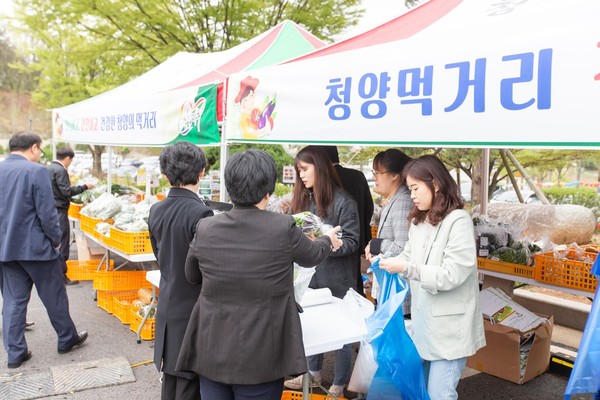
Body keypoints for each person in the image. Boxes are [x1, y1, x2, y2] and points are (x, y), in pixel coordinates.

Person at [176, 149, 343, 400]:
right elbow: (312, 255)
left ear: (230, 187)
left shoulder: (206, 226)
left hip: (211, 349)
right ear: (268, 191)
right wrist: (327, 240)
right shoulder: (281, 227)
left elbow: (192, 275)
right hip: (262, 354)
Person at [378, 155, 485, 400]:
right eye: (410, 188)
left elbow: (452, 274)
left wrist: (406, 268)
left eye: (415, 188)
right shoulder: (420, 219)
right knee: (422, 392)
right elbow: (408, 254)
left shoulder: (458, 220)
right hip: (424, 324)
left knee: (440, 394)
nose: (412, 195)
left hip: (450, 330)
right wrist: (385, 262)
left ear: (435, 184)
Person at [0, 132, 88, 369]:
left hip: (6, 248)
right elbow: (47, 213)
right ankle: (66, 338)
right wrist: (56, 240)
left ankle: (15, 353)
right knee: (54, 295)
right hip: (37, 246)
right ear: (35, 148)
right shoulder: (35, 171)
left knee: (13, 301)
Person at [284, 146, 360, 398]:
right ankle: (312, 373)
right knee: (313, 325)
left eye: (304, 169)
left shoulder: (344, 201)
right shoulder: (304, 199)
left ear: (320, 167)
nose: (301, 176)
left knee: (341, 332)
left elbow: (353, 242)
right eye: (298, 171)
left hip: (337, 277)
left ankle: (339, 383)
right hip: (310, 276)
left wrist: (325, 243)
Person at [148, 142, 214, 400]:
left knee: (172, 383)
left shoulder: (156, 210)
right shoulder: (202, 213)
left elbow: (158, 256)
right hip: (194, 308)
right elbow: (204, 266)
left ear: (166, 175)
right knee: (189, 386)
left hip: (168, 303)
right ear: (201, 173)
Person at [318, 146, 374, 297]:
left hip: (329, 246)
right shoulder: (357, 176)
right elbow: (369, 207)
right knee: (354, 277)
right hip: (357, 237)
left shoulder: (321, 179)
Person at [365, 149, 413, 316]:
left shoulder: (403, 201)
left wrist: (376, 244)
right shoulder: (394, 199)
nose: (374, 177)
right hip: (390, 290)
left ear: (394, 175)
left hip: (399, 295)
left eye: (378, 173)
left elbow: (403, 247)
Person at [47, 147, 94, 285]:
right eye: (71, 160)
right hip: (59, 211)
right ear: (68, 158)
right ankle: (61, 276)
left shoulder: (48, 168)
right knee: (62, 244)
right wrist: (85, 186)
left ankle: (53, 275)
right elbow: (66, 191)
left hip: (51, 210)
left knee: (54, 243)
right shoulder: (60, 170)